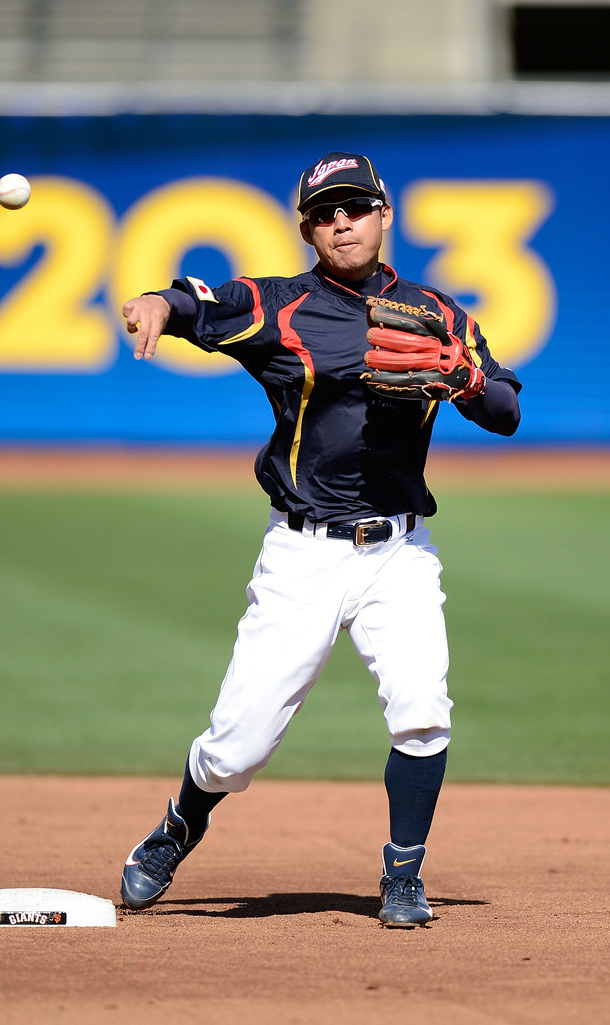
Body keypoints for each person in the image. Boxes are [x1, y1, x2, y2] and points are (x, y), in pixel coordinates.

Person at [120, 152, 521, 927]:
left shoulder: (439, 312)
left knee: (423, 710)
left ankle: (403, 876)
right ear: (307, 227)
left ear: (384, 213)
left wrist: (466, 381)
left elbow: (504, 407)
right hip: (303, 551)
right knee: (236, 749)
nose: (343, 222)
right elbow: (198, 298)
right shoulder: (280, 306)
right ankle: (180, 824)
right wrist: (156, 305)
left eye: (356, 207)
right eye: (326, 212)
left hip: (400, 551)